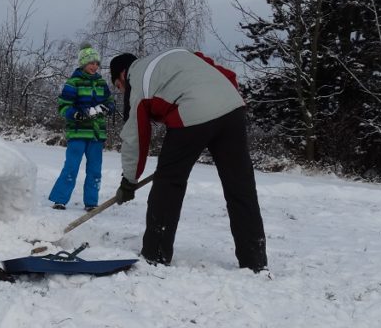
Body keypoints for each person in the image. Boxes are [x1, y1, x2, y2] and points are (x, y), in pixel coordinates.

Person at [108, 49, 267, 272]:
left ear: (122, 75)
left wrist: (129, 181)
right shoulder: (177, 54)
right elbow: (226, 74)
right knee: (240, 187)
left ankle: (155, 255)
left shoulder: (138, 80)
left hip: (192, 109)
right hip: (232, 106)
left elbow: (135, 136)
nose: (121, 91)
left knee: (168, 182)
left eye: (118, 86)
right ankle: (255, 261)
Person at [48, 45, 116, 211]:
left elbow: (110, 101)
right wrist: (77, 114)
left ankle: (91, 203)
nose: (94, 66)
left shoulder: (101, 83)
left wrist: (107, 108)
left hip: (96, 134)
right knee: (71, 167)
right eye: (91, 63)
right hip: (78, 133)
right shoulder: (73, 82)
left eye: (96, 63)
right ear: (83, 64)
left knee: (95, 170)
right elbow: (63, 106)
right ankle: (60, 199)